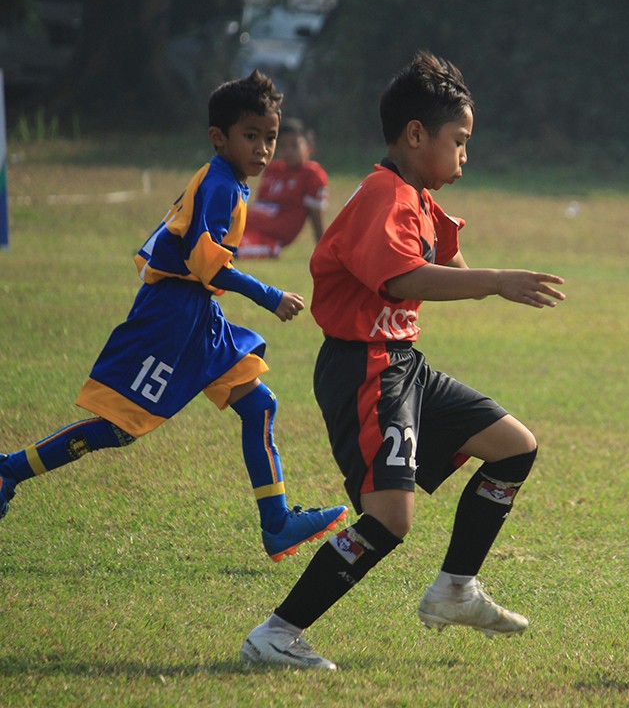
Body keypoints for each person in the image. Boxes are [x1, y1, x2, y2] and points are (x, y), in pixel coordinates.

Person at [240, 52, 566, 670]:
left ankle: (455, 589)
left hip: (402, 363)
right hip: (364, 367)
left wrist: (493, 279)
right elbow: (400, 280)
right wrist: (497, 281)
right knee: (389, 518)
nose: (466, 154)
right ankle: (276, 634)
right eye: (459, 141)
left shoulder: (417, 197)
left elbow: (447, 267)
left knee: (514, 446)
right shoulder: (384, 195)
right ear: (416, 135)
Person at [0, 71, 347, 562]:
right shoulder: (223, 185)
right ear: (218, 137)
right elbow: (207, 262)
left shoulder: (228, 180)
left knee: (259, 404)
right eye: (251, 136)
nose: (264, 148)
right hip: (172, 318)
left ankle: (278, 524)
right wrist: (268, 295)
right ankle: (9, 469)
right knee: (118, 429)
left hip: (197, 314)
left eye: (270, 137)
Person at [236, 117, 329, 259]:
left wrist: (323, 252)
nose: (288, 151)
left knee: (226, 250)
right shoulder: (273, 169)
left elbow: (316, 217)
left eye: (294, 146)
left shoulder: (311, 174)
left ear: (309, 148)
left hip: (268, 239)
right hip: (245, 227)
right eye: (283, 146)